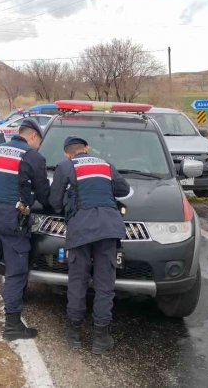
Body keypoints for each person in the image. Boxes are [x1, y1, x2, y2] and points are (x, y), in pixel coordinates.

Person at [0, 119, 50, 341]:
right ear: (33, 136)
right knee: (15, 271)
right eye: (39, 142)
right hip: (12, 219)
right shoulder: (32, 156)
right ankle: (13, 325)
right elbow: (44, 195)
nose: (39, 147)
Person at [49, 136, 130, 355]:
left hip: (81, 230)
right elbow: (123, 190)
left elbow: (54, 202)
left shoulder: (65, 166)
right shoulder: (105, 164)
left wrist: (69, 198)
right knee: (105, 284)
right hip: (108, 228)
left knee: (78, 281)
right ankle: (100, 339)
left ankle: (74, 335)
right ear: (87, 149)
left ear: (67, 153)